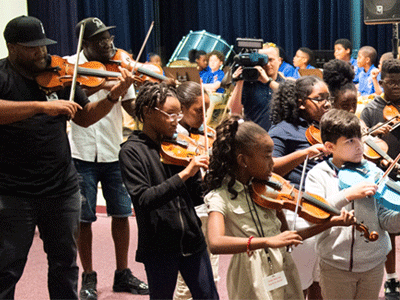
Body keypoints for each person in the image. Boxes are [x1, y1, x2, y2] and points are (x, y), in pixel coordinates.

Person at [0, 15, 135, 300]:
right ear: (12, 48)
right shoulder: (2, 75)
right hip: (13, 192)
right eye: (33, 47)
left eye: (44, 45)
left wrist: (113, 96)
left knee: (65, 266)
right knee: (7, 267)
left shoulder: (60, 75)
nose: (42, 53)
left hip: (60, 188)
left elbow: (85, 119)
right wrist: (40, 107)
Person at [203, 115, 356, 300]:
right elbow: (215, 242)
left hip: (282, 267)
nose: (273, 163)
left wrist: (332, 223)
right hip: (250, 275)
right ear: (243, 160)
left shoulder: (268, 192)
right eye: (267, 157)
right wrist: (266, 242)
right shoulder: (221, 197)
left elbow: (289, 237)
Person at [64, 17, 149, 299]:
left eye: (108, 38)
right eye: (100, 40)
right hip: (81, 151)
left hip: (114, 149)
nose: (108, 43)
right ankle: (88, 276)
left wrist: (143, 95)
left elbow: (133, 107)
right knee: (84, 218)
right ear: (85, 44)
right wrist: (102, 86)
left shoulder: (119, 67)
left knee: (122, 213)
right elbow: (73, 100)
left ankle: (122, 273)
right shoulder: (69, 65)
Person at [119, 81, 219, 300]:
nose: (178, 120)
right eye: (170, 114)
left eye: (179, 114)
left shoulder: (179, 146)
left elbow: (194, 197)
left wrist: (209, 177)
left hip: (192, 238)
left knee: (209, 296)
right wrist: (185, 174)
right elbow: (144, 199)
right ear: (147, 112)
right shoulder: (131, 151)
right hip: (159, 246)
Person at [305, 108, 400, 300]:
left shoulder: (371, 171)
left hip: (373, 263)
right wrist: (347, 194)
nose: (360, 146)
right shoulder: (318, 175)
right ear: (330, 147)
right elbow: (314, 213)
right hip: (335, 264)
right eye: (350, 141)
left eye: (360, 138)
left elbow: (386, 221)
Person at [268, 76, 331, 299]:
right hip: (299, 210)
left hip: (326, 208)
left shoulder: (326, 127)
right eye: (319, 99)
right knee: (299, 281)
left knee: (320, 280)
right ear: (301, 102)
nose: (327, 103)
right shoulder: (282, 130)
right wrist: (302, 153)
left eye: (328, 98)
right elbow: (269, 168)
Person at [172, 81, 220, 300]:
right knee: (187, 284)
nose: (204, 116)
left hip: (208, 210)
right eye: (198, 110)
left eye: (207, 110)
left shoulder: (207, 135)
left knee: (212, 277)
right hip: (186, 212)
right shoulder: (173, 138)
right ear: (181, 109)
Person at [360, 59, 400, 300]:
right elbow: (362, 143)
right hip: (385, 174)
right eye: (392, 82)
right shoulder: (371, 109)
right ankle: (392, 279)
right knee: (389, 231)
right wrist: (374, 133)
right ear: (382, 82)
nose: (397, 87)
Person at [229, 46, 284, 131]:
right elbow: (235, 112)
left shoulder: (284, 83)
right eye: (263, 60)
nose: (267, 64)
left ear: (279, 61)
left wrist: (268, 81)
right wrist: (239, 81)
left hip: (279, 137)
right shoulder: (248, 84)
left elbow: (290, 95)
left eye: (271, 60)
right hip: (255, 136)